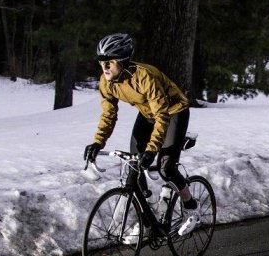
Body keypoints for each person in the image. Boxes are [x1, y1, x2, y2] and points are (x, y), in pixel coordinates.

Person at [84, 33, 200, 237]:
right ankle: (148, 221)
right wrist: (97, 143)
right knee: (133, 167)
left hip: (172, 112)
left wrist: (151, 149)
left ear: (122, 61)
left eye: (109, 62)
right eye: (101, 61)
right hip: (147, 115)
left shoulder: (145, 76)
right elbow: (108, 115)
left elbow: (162, 115)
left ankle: (191, 207)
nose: (105, 66)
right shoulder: (106, 82)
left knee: (166, 168)